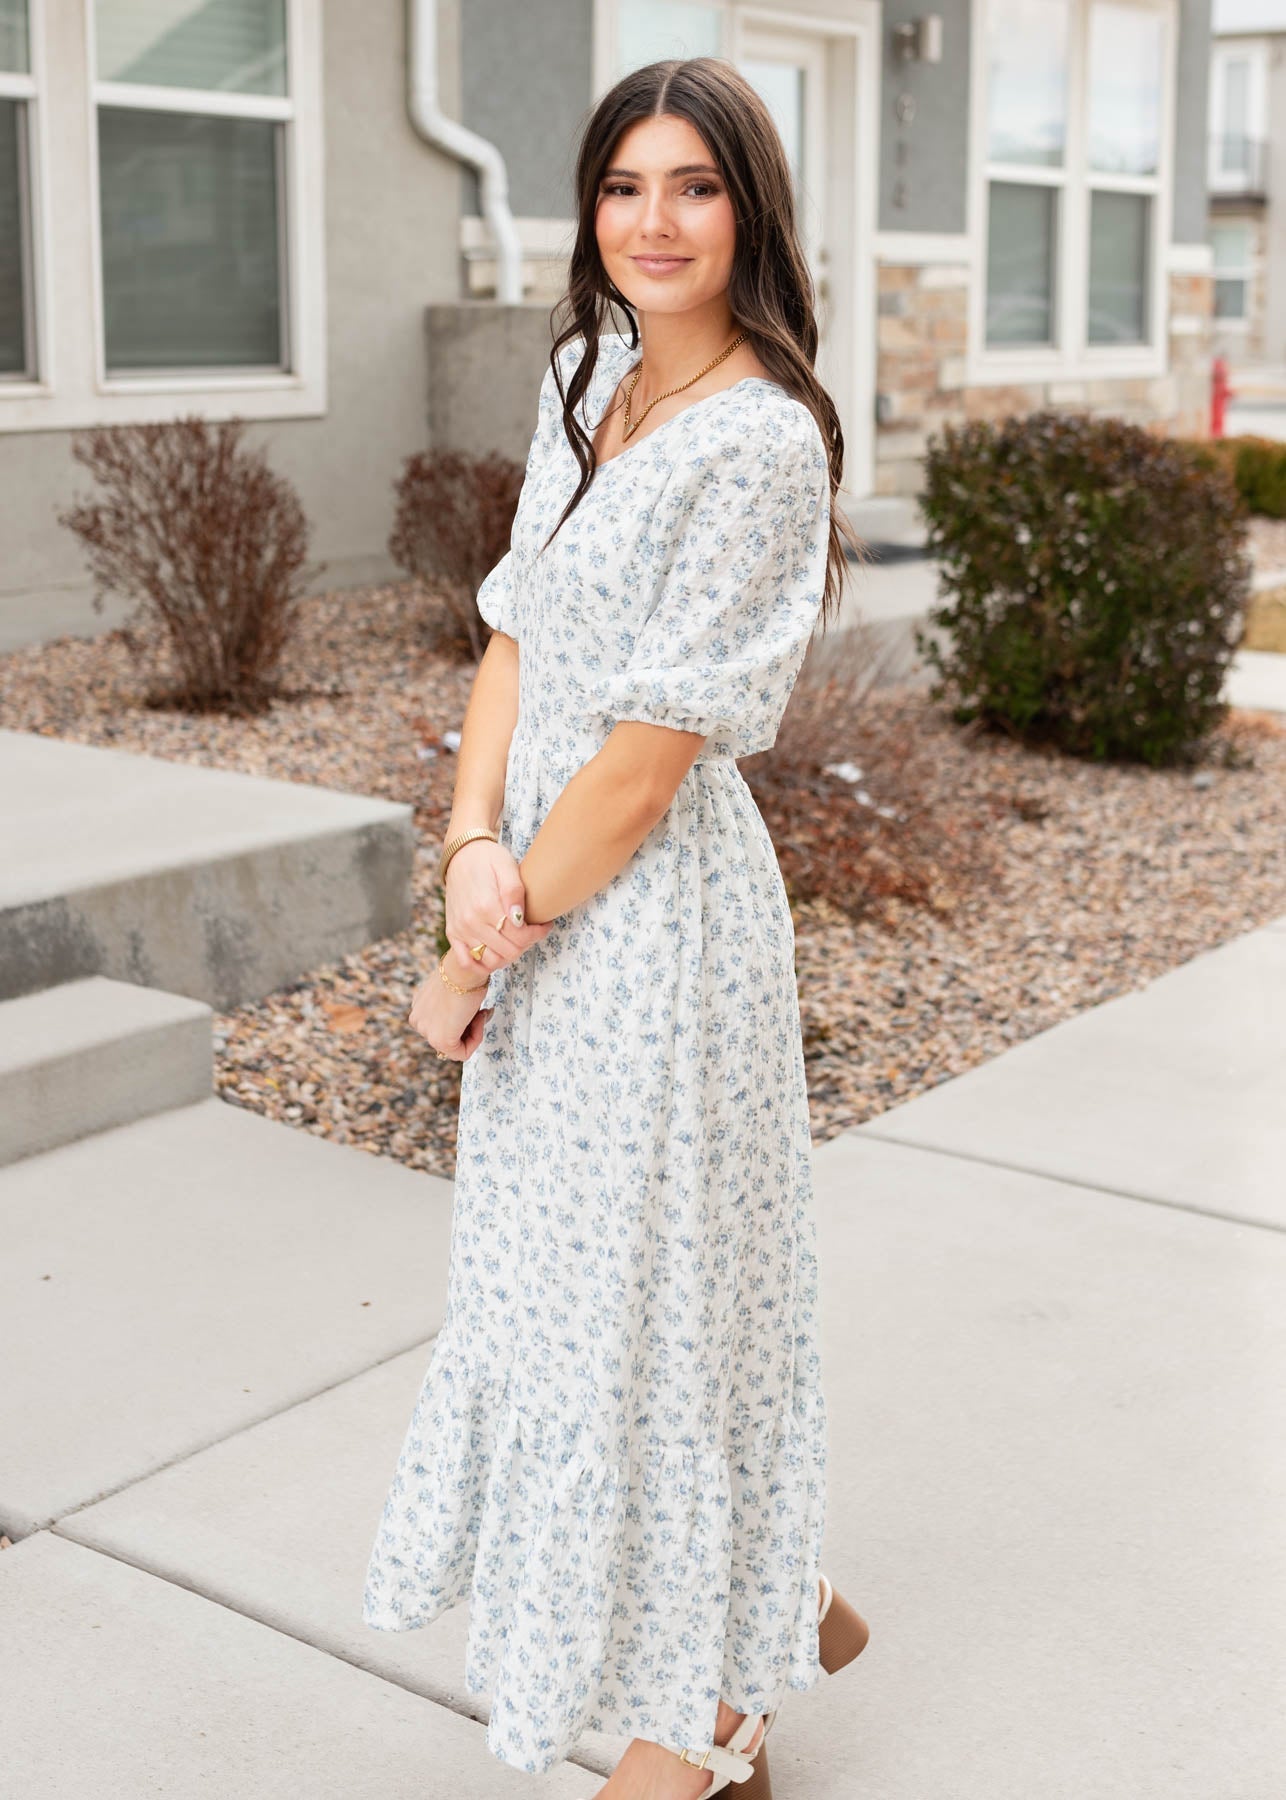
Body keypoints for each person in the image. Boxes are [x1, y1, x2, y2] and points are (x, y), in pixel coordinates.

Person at [362, 56, 871, 1799]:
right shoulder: (585, 372)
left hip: (653, 934)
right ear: (589, 210)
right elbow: (513, 629)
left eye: (695, 188)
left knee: (649, 1292)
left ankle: (714, 1708)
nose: (654, 224)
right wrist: (466, 840)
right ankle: (766, 1586)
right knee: (558, 1293)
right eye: (622, 187)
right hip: (533, 882)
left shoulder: (759, 438)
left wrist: (467, 951)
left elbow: (647, 769)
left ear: (750, 211)